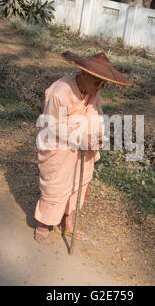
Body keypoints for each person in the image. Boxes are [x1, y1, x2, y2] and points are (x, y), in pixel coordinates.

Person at [34, 51, 131, 244]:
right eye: (97, 82)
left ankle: (67, 223)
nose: (99, 88)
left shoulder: (94, 91)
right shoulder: (60, 92)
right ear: (83, 74)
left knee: (79, 183)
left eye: (103, 84)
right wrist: (79, 138)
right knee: (55, 184)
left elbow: (97, 113)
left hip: (85, 145)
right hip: (58, 145)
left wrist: (98, 136)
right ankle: (44, 223)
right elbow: (53, 125)